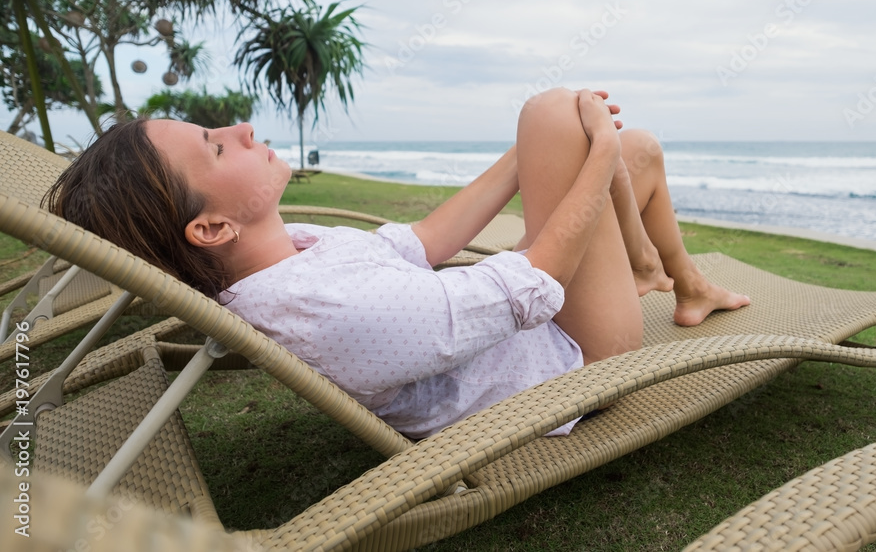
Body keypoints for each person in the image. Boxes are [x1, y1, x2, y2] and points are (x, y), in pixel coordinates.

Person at [47, 88, 749, 438]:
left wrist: (539, 153)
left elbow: (424, 241)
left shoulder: (287, 256)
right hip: (577, 361)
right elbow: (532, 281)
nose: (242, 128)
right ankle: (650, 269)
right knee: (563, 118)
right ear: (211, 225)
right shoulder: (330, 314)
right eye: (218, 146)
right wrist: (586, 148)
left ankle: (682, 283)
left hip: (522, 318)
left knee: (633, 146)